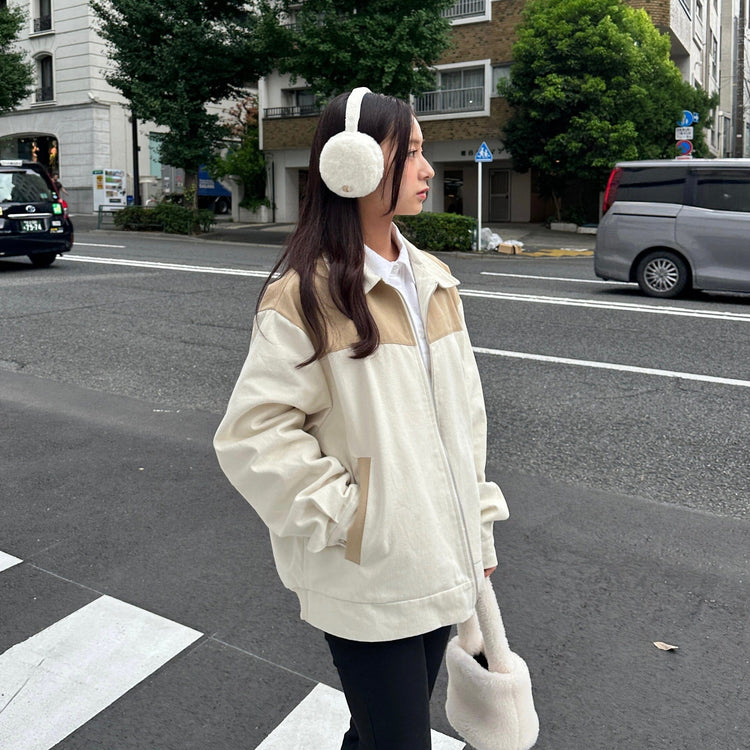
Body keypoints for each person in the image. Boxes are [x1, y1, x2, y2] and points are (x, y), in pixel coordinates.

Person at [213, 88, 509, 750]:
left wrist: (479, 535)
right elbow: (253, 437)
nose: (427, 170)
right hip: (370, 574)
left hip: (439, 560)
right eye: (413, 153)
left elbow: (467, 424)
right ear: (355, 163)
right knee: (398, 739)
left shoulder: (434, 279)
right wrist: (355, 519)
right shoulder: (305, 295)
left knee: (378, 735)